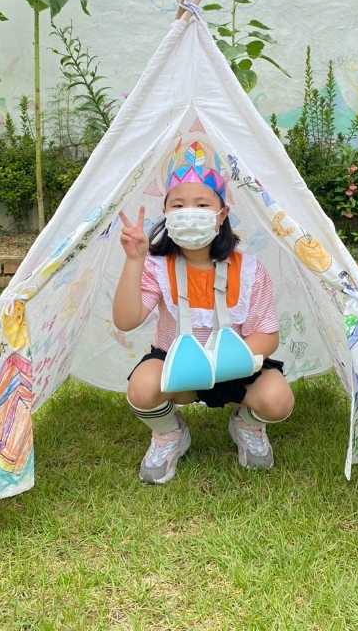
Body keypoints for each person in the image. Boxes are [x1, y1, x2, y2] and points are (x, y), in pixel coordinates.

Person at [113, 140, 294, 484]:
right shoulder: (156, 266)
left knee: (278, 399)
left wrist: (222, 363)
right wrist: (134, 261)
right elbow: (126, 320)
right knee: (142, 387)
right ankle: (169, 434)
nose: (189, 212)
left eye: (201, 204)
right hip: (176, 365)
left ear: (221, 214)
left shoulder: (250, 269)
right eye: (178, 205)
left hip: (237, 365)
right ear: (166, 213)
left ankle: (247, 425)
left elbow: (267, 335)